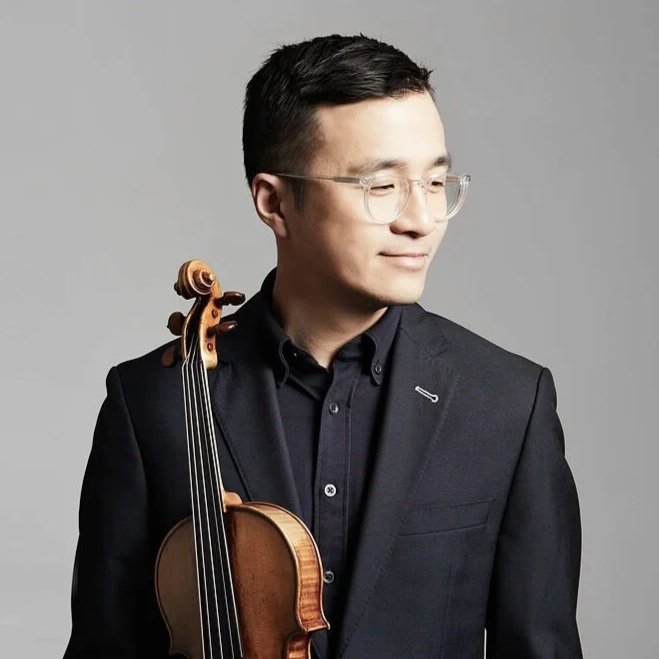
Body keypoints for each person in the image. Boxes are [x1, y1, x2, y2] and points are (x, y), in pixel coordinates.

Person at [64, 34, 583, 658]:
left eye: (435, 181)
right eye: (381, 186)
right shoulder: (152, 403)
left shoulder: (506, 403)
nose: (421, 219)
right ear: (275, 202)